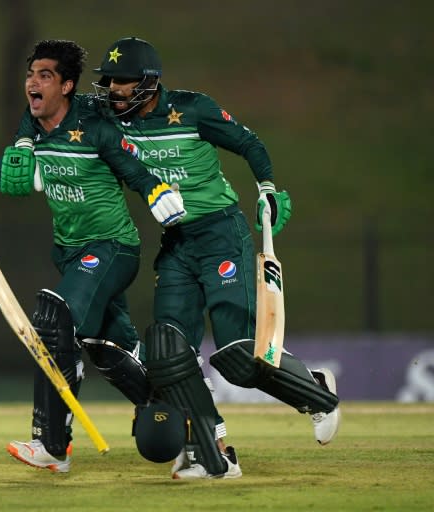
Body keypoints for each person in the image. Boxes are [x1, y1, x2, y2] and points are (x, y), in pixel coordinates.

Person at [0, 39, 186, 473]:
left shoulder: (93, 123)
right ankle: (180, 418)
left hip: (112, 248)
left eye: (45, 75)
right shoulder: (31, 124)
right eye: (31, 74)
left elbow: (130, 167)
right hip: (70, 253)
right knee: (104, 346)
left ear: (66, 85)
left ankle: (51, 445)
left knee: (55, 316)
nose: (33, 82)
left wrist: (155, 189)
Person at [90, 36, 341, 479]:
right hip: (177, 244)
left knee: (238, 357)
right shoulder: (111, 124)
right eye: (108, 81)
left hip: (222, 232)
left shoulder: (192, 109)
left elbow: (250, 143)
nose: (112, 89)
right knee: (168, 352)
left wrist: (266, 188)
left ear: (148, 84)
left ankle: (315, 391)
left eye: (122, 82)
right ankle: (214, 452)